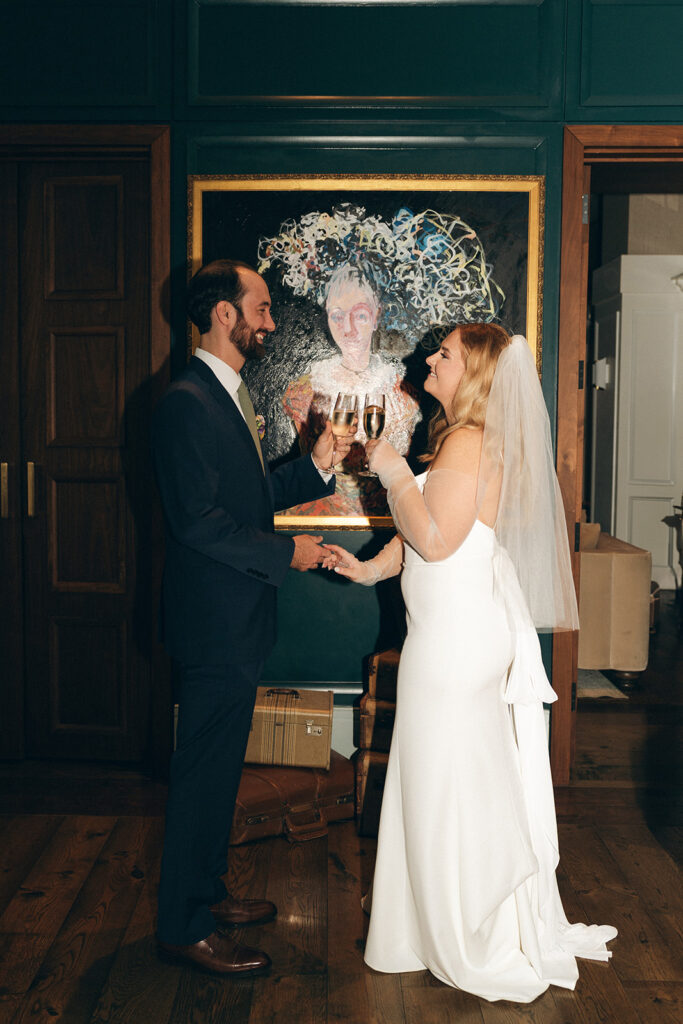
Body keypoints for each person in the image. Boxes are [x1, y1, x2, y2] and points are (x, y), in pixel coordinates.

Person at [325, 324, 617, 1002]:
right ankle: (432, 922)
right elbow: (432, 532)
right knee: (442, 780)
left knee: (443, 785)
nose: (430, 358)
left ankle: (462, 929)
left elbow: (432, 535)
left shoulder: (468, 439)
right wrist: (369, 569)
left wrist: (391, 465)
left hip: (455, 644)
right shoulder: (465, 438)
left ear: (475, 372)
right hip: (454, 633)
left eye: (445, 353)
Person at [151, 259, 353, 976]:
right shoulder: (184, 400)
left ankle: (205, 894)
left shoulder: (224, 395)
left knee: (217, 772)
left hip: (234, 622)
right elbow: (196, 523)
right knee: (204, 776)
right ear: (224, 315)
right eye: (261, 308)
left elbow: (245, 495)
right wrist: (286, 553)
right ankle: (182, 925)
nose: (271, 322)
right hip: (214, 627)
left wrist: (313, 467)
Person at [282, 265, 420, 517]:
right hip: (320, 520)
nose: (349, 329)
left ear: (376, 316)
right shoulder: (304, 391)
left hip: (394, 519)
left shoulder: (405, 393)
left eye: (360, 316)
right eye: (337, 315)